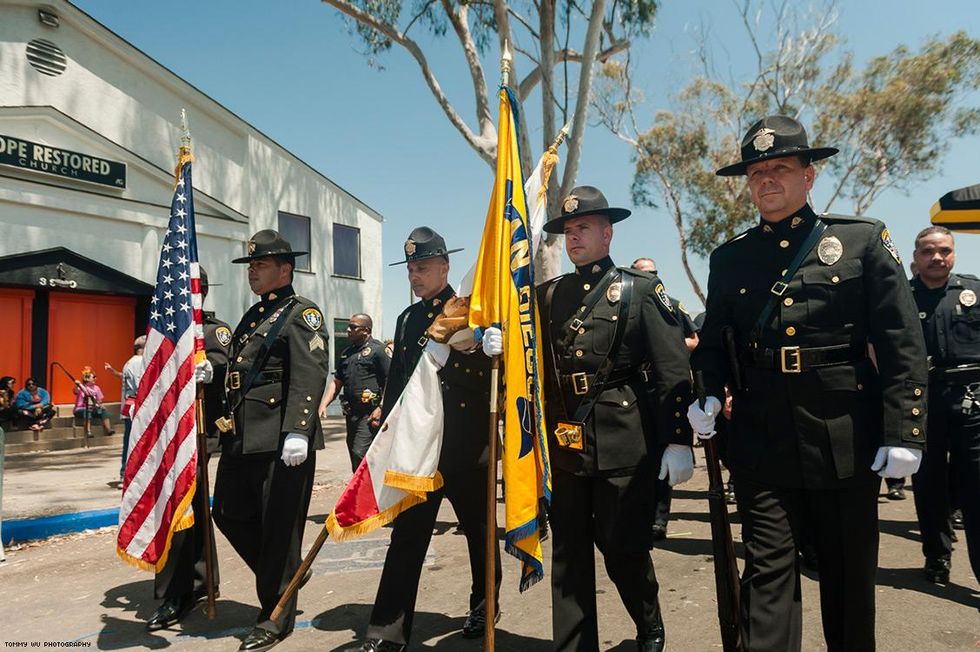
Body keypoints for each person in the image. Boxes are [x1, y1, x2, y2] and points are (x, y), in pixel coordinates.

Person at [688, 115, 927, 651]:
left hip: (844, 432)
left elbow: (901, 341)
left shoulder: (861, 240)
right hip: (761, 434)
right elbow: (716, 338)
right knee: (767, 577)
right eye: (756, 172)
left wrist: (904, 430)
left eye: (779, 168)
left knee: (846, 582)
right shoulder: (729, 258)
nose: (766, 180)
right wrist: (706, 388)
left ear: (809, 176)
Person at [485, 187, 693, 652]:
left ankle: (649, 622)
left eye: (583, 228)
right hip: (565, 445)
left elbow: (671, 367)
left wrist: (678, 438)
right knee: (570, 554)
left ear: (607, 233)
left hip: (625, 441)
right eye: (568, 230)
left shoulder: (639, 291)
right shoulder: (548, 295)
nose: (574, 237)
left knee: (623, 548)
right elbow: (525, 353)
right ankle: (575, 645)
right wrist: (496, 339)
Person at [347, 227, 500, 652]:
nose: (416, 276)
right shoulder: (408, 318)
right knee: (408, 535)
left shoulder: (471, 309)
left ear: (446, 267)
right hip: (418, 450)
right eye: (411, 268)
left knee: (479, 532)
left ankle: (485, 605)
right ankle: (387, 630)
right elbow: (399, 384)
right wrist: (386, 433)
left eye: (424, 267)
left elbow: (491, 381)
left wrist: (483, 351)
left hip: (465, 442)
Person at [211, 230, 329, 652]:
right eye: (251, 266)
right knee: (226, 512)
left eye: (260, 266)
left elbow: (310, 372)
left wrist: (298, 429)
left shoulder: (302, 313)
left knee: (280, 529)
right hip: (243, 436)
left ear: (286, 269)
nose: (253, 273)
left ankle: (274, 617)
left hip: (281, 440)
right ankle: (285, 573)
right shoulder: (252, 315)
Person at [144, 266, 230, 631]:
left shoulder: (212, 331)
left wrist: (207, 365)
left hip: (196, 434)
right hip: (167, 436)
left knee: (180, 510)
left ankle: (177, 593)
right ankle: (198, 580)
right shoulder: (166, 334)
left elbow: (227, 364)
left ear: (197, 293)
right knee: (182, 510)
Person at [908, 225, 980, 587]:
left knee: (976, 487)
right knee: (929, 484)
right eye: (929, 251)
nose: (938, 257)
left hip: (973, 405)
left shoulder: (975, 291)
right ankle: (936, 556)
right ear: (916, 257)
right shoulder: (902, 297)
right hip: (923, 402)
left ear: (953, 254)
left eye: (945, 251)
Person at [631, 257, 700, 541]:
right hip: (635, 389)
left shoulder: (670, 303)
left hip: (663, 386)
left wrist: (664, 344)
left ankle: (659, 519)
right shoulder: (627, 306)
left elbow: (694, 338)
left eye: (654, 272)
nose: (651, 276)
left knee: (663, 454)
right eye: (644, 273)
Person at [318, 313, 390, 471]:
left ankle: (370, 491)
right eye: (348, 326)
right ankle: (361, 492)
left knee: (360, 452)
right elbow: (337, 382)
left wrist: (381, 407)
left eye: (353, 327)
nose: (348, 330)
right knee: (354, 453)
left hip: (370, 414)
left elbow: (389, 381)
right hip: (352, 414)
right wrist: (324, 404)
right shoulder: (346, 353)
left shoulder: (378, 351)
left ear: (366, 330)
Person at [108, 337, 146, 481]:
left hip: (131, 408)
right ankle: (127, 474)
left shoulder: (130, 362)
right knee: (133, 442)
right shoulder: (138, 363)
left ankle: (126, 473)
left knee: (130, 441)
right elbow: (140, 385)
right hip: (135, 409)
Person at [72, 367, 114, 436]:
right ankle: (88, 431)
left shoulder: (96, 388)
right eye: (93, 377)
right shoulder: (81, 387)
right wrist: (76, 384)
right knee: (87, 411)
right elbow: (75, 391)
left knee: (104, 411)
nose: (95, 378)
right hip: (80, 409)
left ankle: (108, 429)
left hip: (93, 408)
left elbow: (99, 401)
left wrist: (100, 406)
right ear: (87, 378)